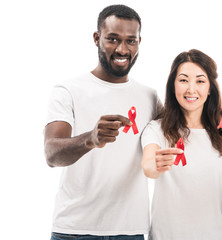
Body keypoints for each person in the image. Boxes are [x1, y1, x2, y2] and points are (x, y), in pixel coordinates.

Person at [44, 5, 162, 240]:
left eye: (131, 41)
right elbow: (51, 154)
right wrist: (90, 139)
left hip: (131, 230)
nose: (122, 49)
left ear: (139, 42)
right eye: (113, 39)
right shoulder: (68, 90)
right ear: (97, 38)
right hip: (74, 230)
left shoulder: (150, 97)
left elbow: (183, 132)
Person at [141, 49, 222, 240]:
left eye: (200, 81)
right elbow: (148, 165)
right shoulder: (157, 129)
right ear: (173, 85)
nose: (191, 89)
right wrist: (156, 164)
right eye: (183, 80)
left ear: (210, 88)